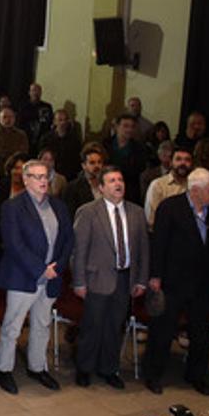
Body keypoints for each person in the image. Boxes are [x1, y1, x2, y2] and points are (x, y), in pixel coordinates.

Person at [145, 168, 209, 395]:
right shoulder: (170, 208)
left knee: (201, 333)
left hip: (203, 282)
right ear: (195, 190)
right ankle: (153, 374)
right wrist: (155, 276)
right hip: (173, 281)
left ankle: (196, 375)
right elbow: (159, 244)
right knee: (163, 331)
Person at [0, 160, 74, 395]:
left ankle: (37, 367)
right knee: (13, 326)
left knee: (42, 324)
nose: (42, 181)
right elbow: (13, 244)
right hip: (23, 276)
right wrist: (41, 269)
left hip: (52, 278)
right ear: (25, 179)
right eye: (36, 176)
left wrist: (57, 267)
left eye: (45, 176)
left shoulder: (58, 206)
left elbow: (68, 239)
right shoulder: (12, 207)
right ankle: (4, 369)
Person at [71, 166, 149, 390]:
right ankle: (84, 368)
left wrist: (141, 280)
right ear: (102, 187)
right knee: (92, 326)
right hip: (96, 278)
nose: (118, 184)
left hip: (125, 279)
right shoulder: (88, 212)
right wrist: (79, 281)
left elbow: (144, 249)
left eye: (120, 179)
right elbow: (79, 250)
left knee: (115, 327)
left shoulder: (136, 212)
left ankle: (108, 368)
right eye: (112, 180)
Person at [145, 146, 192, 228]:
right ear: (170, 162)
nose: (183, 163)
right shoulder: (158, 185)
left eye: (187, 160)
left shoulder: (194, 186)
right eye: (178, 159)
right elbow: (151, 220)